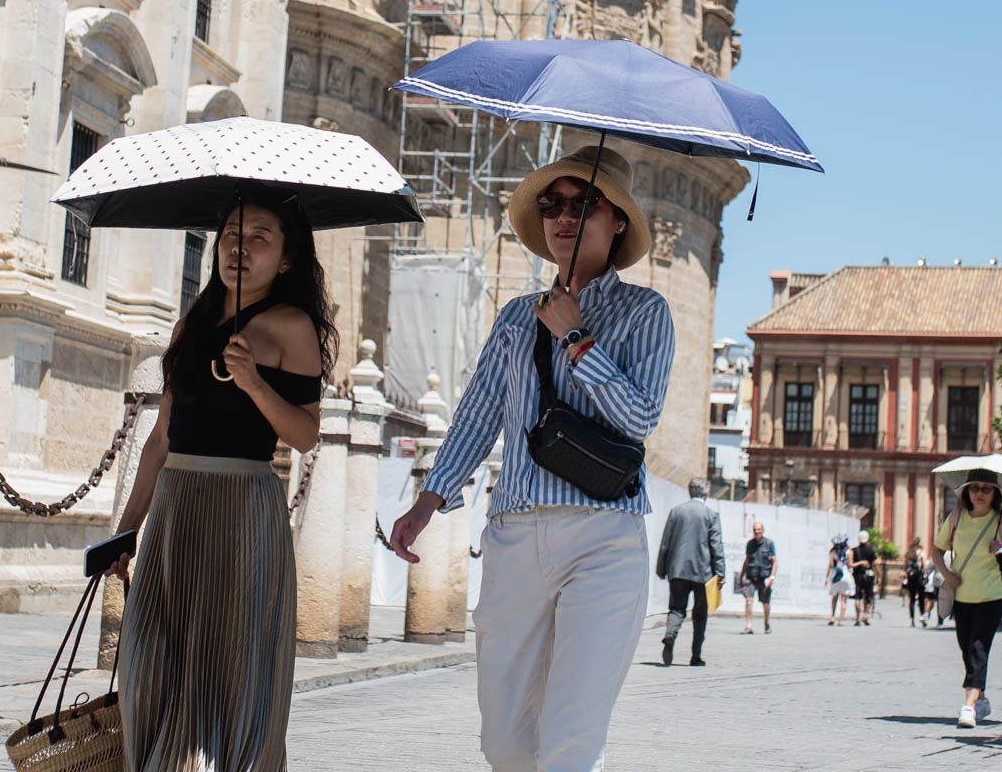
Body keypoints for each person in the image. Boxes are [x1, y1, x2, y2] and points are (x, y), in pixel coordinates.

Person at [390, 146, 674, 772]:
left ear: (617, 220)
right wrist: (428, 501)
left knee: (572, 738)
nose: (564, 217)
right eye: (552, 205)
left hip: (604, 537)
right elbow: (479, 412)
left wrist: (576, 339)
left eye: (584, 204)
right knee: (506, 742)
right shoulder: (517, 316)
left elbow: (639, 420)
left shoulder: (645, 313)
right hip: (514, 537)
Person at [109, 194, 334, 770]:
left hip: (242, 507)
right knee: (149, 663)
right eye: (232, 233)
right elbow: (161, 438)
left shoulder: (292, 327)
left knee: (230, 666)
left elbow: (305, 434)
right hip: (177, 508)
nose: (240, 246)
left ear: (285, 260)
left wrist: (255, 384)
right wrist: (127, 529)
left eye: (260, 236)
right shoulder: (193, 323)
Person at [932, 469, 1002, 729]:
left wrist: (1001, 548)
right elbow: (937, 549)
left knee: (978, 647)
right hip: (962, 593)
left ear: (995, 494)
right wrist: (946, 573)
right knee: (967, 648)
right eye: (975, 488)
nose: (979, 493)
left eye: (986, 489)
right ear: (966, 491)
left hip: (993, 593)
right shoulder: (955, 517)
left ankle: (968, 705)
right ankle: (982, 697)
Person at [656, 478, 726, 666]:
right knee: (700, 613)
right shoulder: (711, 515)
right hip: (703, 572)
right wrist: (720, 573)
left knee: (677, 608)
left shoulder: (676, 512)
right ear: (706, 493)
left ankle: (670, 635)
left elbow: (666, 542)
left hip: (677, 570)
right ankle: (696, 656)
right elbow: (716, 546)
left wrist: (661, 568)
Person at [738, 520, 778, 634]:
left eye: (759, 529)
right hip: (751, 576)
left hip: (764, 578)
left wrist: (772, 577)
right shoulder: (750, 544)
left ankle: (766, 622)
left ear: (763, 530)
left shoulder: (770, 543)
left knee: (765, 602)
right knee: (749, 600)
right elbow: (746, 561)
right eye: (755, 529)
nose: (757, 531)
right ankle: (749, 626)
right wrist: (741, 577)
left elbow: (775, 562)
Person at [848, 530, 878, 625]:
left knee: (857, 597)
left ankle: (857, 618)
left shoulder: (853, 550)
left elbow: (850, 564)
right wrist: (879, 575)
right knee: (868, 597)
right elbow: (875, 564)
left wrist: (859, 563)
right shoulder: (871, 550)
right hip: (869, 576)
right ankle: (865, 616)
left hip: (857, 576)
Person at [826, 535, 852, 626]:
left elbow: (830, 565)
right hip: (846, 576)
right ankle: (841, 620)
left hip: (835, 575)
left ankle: (832, 617)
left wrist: (826, 578)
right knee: (844, 599)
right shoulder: (849, 551)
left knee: (834, 598)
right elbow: (850, 565)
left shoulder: (832, 551)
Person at [904, 536, 929, 628]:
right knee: (921, 598)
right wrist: (926, 577)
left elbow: (905, 567)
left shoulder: (908, 553)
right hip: (919, 577)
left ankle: (912, 620)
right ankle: (922, 616)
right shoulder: (922, 553)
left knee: (912, 599)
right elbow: (925, 566)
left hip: (911, 578)